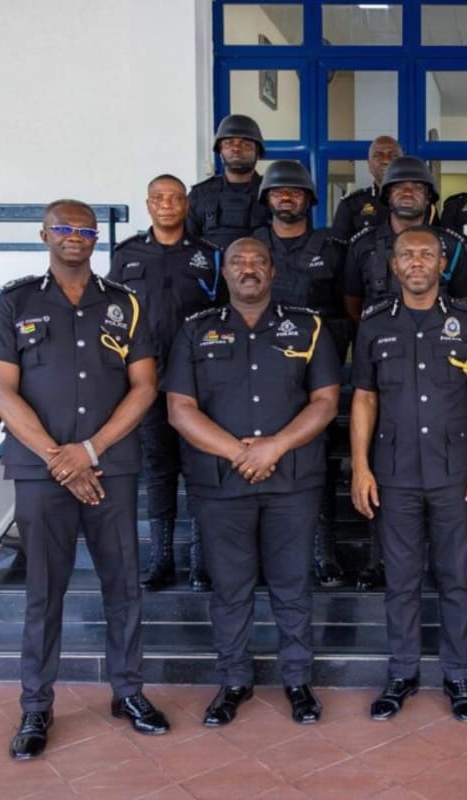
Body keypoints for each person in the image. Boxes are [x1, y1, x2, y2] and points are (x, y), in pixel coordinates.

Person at [0, 199, 170, 760]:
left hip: (111, 467)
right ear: (44, 235)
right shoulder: (15, 302)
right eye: (63, 228)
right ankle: (36, 706)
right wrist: (59, 459)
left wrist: (89, 451)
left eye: (85, 229)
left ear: (96, 239)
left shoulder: (123, 304)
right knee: (44, 592)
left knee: (123, 586)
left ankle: (128, 692)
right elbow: (1, 392)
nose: (75, 236)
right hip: (41, 475)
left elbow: (144, 387)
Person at [167, 237, 341, 727]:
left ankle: (297, 680)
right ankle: (233, 681)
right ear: (223, 273)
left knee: (292, 584)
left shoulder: (307, 327)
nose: (248, 268)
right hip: (221, 484)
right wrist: (239, 453)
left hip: (292, 482)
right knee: (230, 587)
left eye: (258, 261)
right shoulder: (195, 331)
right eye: (238, 261)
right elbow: (179, 409)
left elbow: (326, 401)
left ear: (272, 271)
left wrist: (274, 447)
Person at [350, 226, 467, 722]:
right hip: (393, 472)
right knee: (401, 579)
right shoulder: (373, 324)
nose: (417, 262)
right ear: (394, 266)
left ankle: (456, 674)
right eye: (407, 255)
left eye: (426, 254)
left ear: (442, 264)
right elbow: (364, 398)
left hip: (455, 471)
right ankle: (402, 673)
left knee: (455, 577)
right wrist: (360, 467)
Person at [109, 175, 222, 593]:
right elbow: (113, 316)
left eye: (175, 198)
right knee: (159, 471)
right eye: (159, 198)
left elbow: (225, 315)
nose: (167, 205)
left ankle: (201, 560)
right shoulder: (127, 255)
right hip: (148, 381)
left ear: (187, 204)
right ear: (148, 204)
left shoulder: (210, 255)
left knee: (201, 468)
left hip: (199, 381)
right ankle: (161, 559)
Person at [251, 159, 352, 588]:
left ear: (309, 200)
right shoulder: (251, 245)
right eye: (278, 191)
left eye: (294, 192)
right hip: (261, 365)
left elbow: (349, 305)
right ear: (267, 199)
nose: (286, 197)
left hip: (316, 365)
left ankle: (322, 550)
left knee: (317, 458)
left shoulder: (332, 246)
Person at [343, 155, 467, 323]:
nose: (408, 193)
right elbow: (352, 304)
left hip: (438, 336)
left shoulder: (453, 245)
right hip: (378, 336)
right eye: (399, 187)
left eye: (417, 188)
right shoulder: (362, 244)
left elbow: (464, 302)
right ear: (388, 196)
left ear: (428, 198)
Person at [186, 114, 269, 249]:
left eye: (245, 144)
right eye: (228, 143)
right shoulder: (199, 194)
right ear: (220, 151)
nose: (236, 148)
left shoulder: (273, 192)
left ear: (258, 152)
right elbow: (185, 244)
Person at [327, 135, 402, 243]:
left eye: (393, 155)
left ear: (403, 162)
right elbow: (338, 248)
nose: (386, 160)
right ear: (369, 164)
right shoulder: (351, 204)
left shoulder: (419, 202)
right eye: (378, 155)